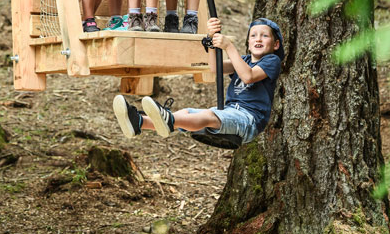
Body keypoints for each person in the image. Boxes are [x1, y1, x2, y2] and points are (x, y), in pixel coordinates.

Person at [112, 16, 283, 144]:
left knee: (208, 116)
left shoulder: (271, 61)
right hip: (230, 112)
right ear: (248, 41)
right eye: (253, 35)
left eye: (264, 36)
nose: (258, 39)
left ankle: (167, 118)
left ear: (275, 45)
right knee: (186, 113)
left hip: (248, 120)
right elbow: (215, 68)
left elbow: (248, 77)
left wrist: (229, 46)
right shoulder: (244, 60)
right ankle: (139, 122)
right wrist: (210, 42)